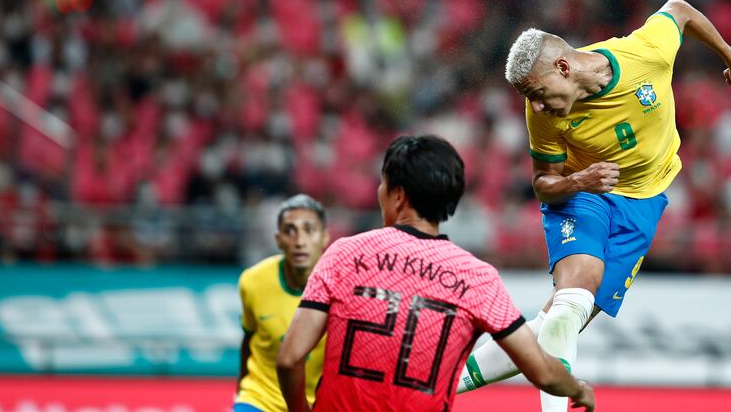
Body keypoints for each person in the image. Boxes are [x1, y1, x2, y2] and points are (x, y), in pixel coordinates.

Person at [457, 0, 731, 411]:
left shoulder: (644, 54)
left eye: (537, 94)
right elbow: (542, 183)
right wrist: (577, 181)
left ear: (563, 69)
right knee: (574, 298)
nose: (534, 107)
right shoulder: (544, 114)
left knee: (557, 322)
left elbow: (680, 10)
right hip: (583, 196)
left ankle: (439, 385)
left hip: (642, 201)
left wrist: (728, 54)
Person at [276, 135, 595, 412]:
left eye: (383, 184)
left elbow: (290, 359)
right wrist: (579, 390)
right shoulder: (476, 277)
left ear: (397, 195)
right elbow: (543, 371)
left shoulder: (345, 254)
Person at [234, 194, 331, 412]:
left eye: (309, 230)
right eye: (290, 230)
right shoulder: (252, 281)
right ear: (278, 239)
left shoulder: (340, 286)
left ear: (325, 238)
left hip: (315, 405)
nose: (299, 241)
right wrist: (240, 392)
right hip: (259, 400)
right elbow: (248, 341)